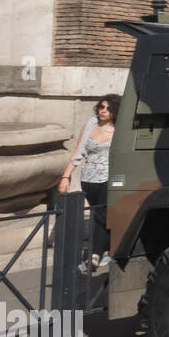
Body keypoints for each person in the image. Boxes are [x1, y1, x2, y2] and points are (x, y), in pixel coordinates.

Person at [59, 94, 119, 272]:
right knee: (99, 213)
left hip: (110, 177)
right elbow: (78, 152)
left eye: (108, 108)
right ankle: (107, 249)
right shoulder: (92, 124)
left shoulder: (121, 128)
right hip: (88, 178)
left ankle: (94, 254)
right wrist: (65, 177)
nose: (103, 111)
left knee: (101, 213)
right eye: (101, 107)